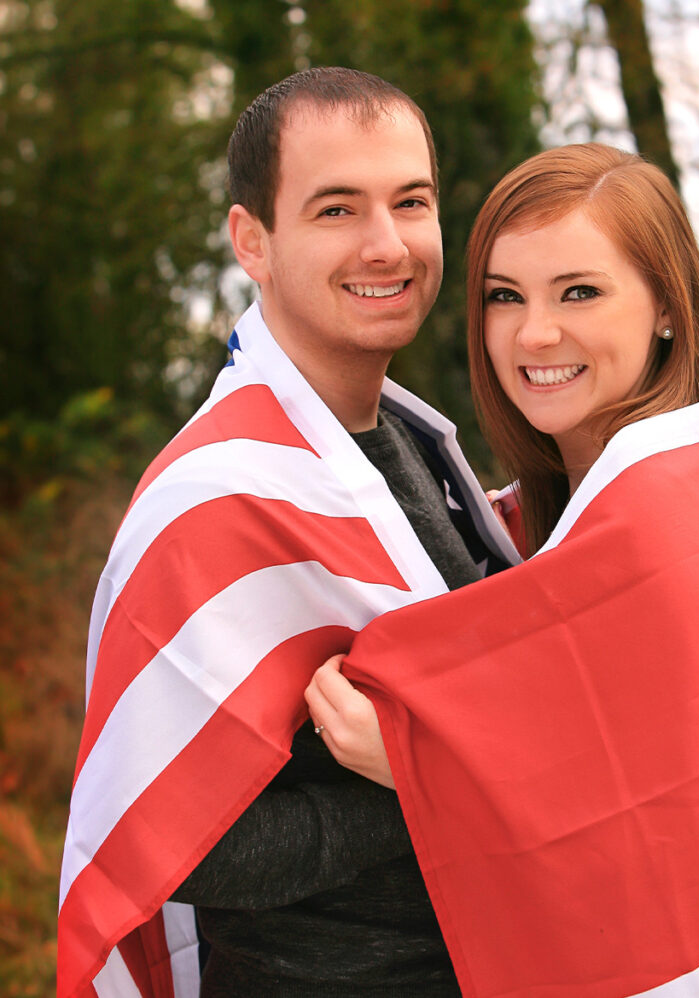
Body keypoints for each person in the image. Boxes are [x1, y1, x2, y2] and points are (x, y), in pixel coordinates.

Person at [306, 144, 699, 997]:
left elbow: (643, 797)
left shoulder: (652, 523)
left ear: (668, 309)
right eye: (505, 296)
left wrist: (413, 755)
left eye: (580, 292)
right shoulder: (589, 507)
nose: (534, 333)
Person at [57, 67, 518, 998]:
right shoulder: (212, 500)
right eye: (338, 209)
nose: (388, 245)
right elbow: (172, 841)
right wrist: (435, 783)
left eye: (412, 201)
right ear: (252, 242)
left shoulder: (418, 447)